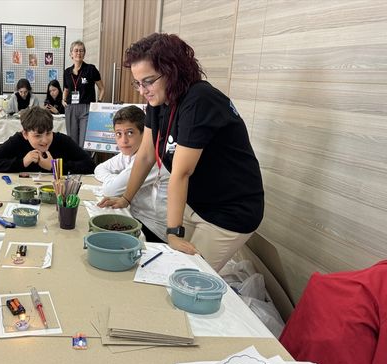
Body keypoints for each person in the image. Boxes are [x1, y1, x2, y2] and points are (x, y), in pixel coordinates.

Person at [99, 33, 264, 272]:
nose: (142, 90)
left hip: (230, 210)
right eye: (138, 83)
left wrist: (173, 233)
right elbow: (146, 155)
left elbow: (182, 172)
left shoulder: (199, 100)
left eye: (148, 81)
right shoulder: (159, 102)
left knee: (186, 276)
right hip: (197, 201)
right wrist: (126, 198)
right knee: (170, 266)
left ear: (173, 71)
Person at [94, 106, 169, 242]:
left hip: (154, 229)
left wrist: (117, 183)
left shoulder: (150, 157)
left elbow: (111, 189)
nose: (123, 141)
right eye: (118, 134)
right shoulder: (128, 152)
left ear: (144, 134)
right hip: (135, 215)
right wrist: (118, 179)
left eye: (130, 133)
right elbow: (99, 169)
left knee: (102, 233)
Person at [0, 106, 95, 175]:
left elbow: (90, 165)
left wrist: (55, 167)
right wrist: (21, 163)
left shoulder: (62, 141)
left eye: (48, 133)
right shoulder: (17, 141)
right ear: (25, 134)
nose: (44, 140)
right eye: (37, 135)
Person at [62, 40, 104, 147]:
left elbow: (102, 88)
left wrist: (98, 102)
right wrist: (63, 100)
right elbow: (66, 89)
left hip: (86, 108)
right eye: (76, 51)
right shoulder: (67, 72)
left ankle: (84, 163)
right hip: (71, 108)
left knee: (84, 141)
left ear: (84, 53)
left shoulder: (91, 69)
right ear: (71, 54)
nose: (78, 53)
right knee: (72, 141)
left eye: (81, 51)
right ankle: (74, 163)